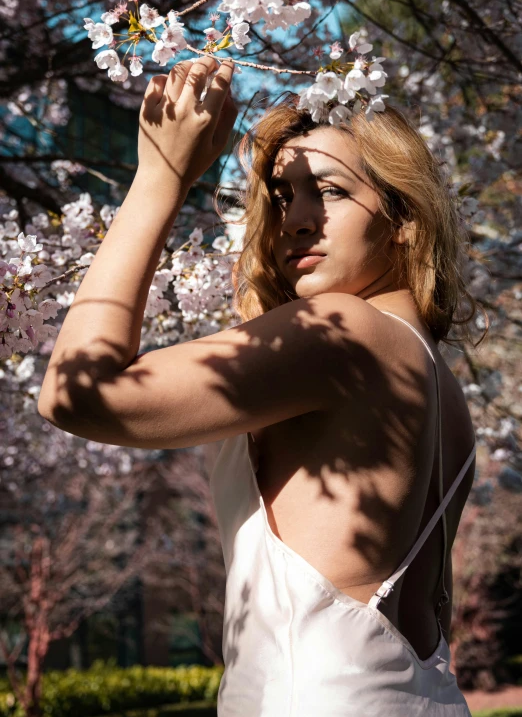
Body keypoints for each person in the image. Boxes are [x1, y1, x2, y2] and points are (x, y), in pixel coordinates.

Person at [38, 56, 484, 716]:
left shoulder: (347, 331)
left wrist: (159, 179)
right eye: (281, 196)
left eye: (329, 191)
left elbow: (76, 391)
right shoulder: (441, 388)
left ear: (404, 214)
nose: (296, 219)